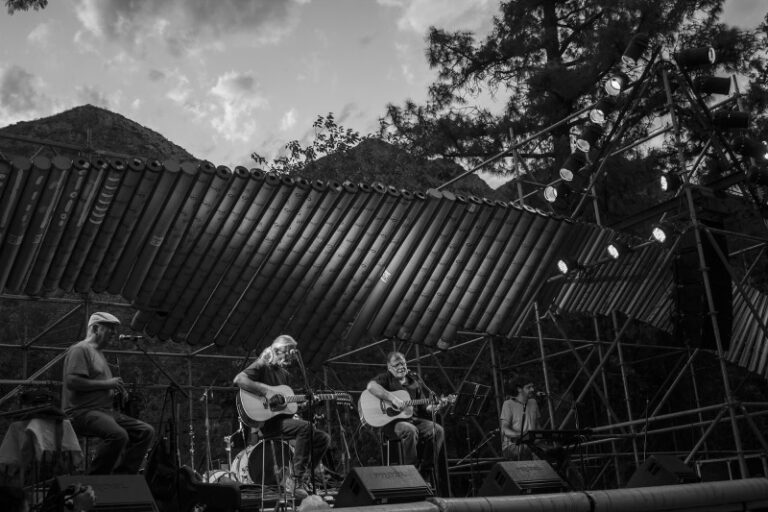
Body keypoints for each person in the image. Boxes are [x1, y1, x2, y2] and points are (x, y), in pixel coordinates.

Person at [233, 334, 331, 500]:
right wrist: (266, 391)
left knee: (323, 438)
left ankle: (302, 477)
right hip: (267, 424)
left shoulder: (284, 374)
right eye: (288, 354)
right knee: (306, 428)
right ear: (280, 350)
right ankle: (295, 481)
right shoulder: (262, 365)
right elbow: (239, 379)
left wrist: (305, 405)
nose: (290, 359)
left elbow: (286, 406)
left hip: (281, 421)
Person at [62, 312, 155, 475]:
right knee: (118, 435)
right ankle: (96, 478)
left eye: (115, 329)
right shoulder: (80, 349)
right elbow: (72, 382)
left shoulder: (99, 354)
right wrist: (108, 384)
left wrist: (117, 392)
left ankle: (123, 478)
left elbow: (99, 386)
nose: (114, 333)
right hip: (81, 412)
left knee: (145, 431)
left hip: (104, 412)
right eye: (110, 328)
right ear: (95, 328)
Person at [365, 351, 446, 483]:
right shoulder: (386, 378)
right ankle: (411, 472)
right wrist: (392, 398)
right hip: (392, 424)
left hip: (412, 420)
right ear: (389, 367)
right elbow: (371, 386)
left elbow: (424, 408)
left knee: (438, 430)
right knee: (410, 430)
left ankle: (425, 473)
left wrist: (436, 407)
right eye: (396, 364)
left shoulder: (414, 382)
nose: (401, 367)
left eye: (403, 363)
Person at [499, 377, 541, 460]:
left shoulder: (533, 402)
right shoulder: (508, 404)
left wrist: (539, 438)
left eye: (532, 387)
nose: (532, 389)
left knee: (554, 452)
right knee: (526, 451)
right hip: (512, 445)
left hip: (531, 445)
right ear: (519, 389)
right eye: (529, 387)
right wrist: (524, 436)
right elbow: (505, 430)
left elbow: (538, 426)